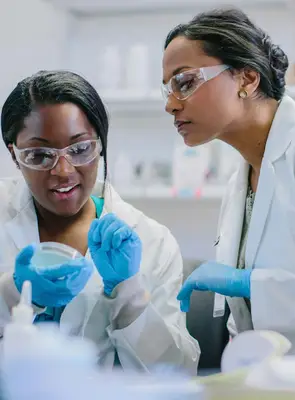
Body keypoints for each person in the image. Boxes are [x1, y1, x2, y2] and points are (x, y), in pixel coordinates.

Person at [0, 70, 199, 372]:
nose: (63, 171)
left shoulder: (152, 240)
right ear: (15, 155)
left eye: (80, 149)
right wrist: (11, 294)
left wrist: (129, 294)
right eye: (39, 155)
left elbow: (178, 372)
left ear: (100, 145)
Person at [162, 7, 295, 353]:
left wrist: (250, 283)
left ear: (247, 78)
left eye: (185, 82)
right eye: (168, 88)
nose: (171, 105)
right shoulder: (239, 183)